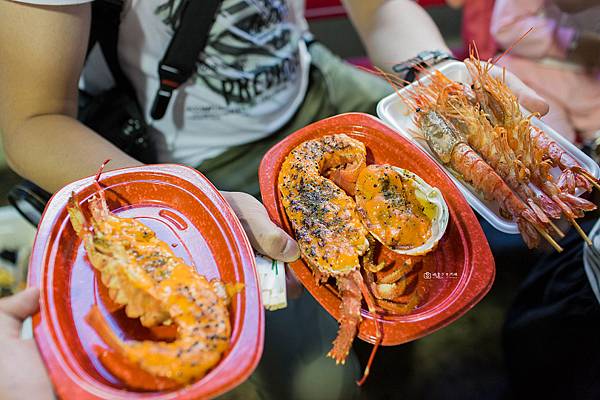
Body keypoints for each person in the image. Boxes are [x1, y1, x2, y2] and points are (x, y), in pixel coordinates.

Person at [0, 0, 549, 398]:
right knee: (315, 381)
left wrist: (435, 75)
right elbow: (32, 122)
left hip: (314, 86)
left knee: (437, 247)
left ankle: (391, 365)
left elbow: (379, 9)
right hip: (175, 159)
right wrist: (196, 200)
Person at [491, 0, 600, 145]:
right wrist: (571, 41)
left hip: (588, 83)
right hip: (529, 75)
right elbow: (505, 28)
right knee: (551, 145)